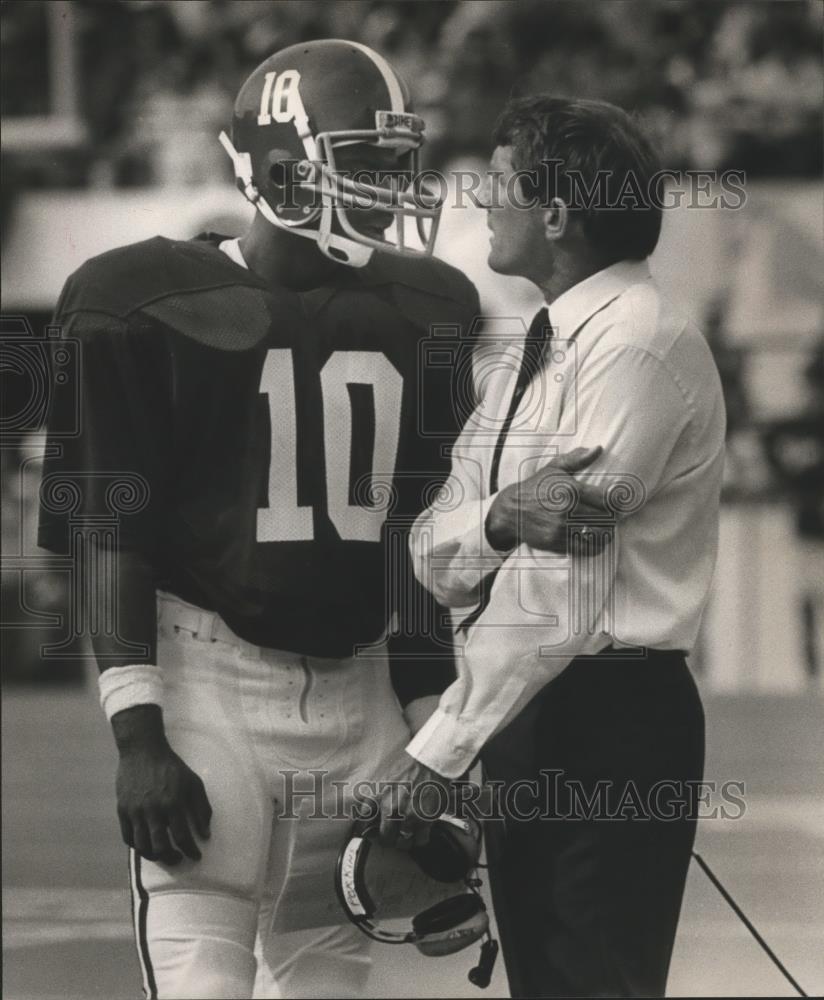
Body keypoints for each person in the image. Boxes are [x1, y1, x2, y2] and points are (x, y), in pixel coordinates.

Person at [37, 39, 478, 1000]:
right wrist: (139, 735)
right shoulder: (139, 300)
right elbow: (108, 527)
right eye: (363, 161)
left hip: (363, 688)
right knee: (203, 977)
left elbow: (417, 546)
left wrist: (434, 740)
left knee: (331, 978)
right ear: (280, 169)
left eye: (395, 162)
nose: (389, 186)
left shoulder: (430, 306)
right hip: (210, 681)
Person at [393, 97, 727, 997]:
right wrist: (501, 517)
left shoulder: (636, 349)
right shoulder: (533, 349)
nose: (481, 205)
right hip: (537, 709)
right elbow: (433, 548)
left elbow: (556, 594)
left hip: (609, 710)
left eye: (498, 186)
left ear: (555, 214)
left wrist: (438, 751)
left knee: (594, 985)